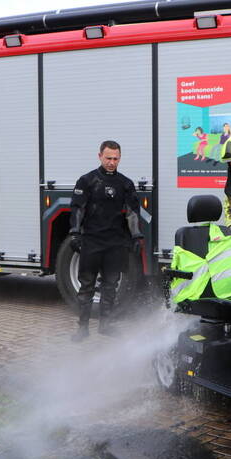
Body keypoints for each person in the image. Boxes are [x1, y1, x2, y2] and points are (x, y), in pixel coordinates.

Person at [69, 140, 143, 340]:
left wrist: (136, 236)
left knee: (111, 285)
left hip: (115, 243)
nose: (112, 162)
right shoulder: (86, 181)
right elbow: (77, 209)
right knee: (87, 286)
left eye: (115, 158)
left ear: (120, 158)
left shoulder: (125, 184)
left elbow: (132, 212)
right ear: (99, 156)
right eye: (108, 158)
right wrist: (75, 232)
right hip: (91, 241)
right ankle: (82, 328)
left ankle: (106, 325)